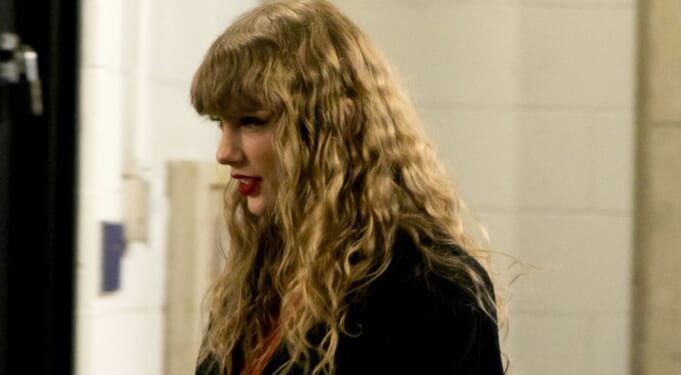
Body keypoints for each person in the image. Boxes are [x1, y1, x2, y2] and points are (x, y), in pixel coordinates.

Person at [190, 0, 504, 374]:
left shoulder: (431, 286)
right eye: (220, 123)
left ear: (340, 121)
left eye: (252, 121)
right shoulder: (261, 276)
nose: (224, 153)